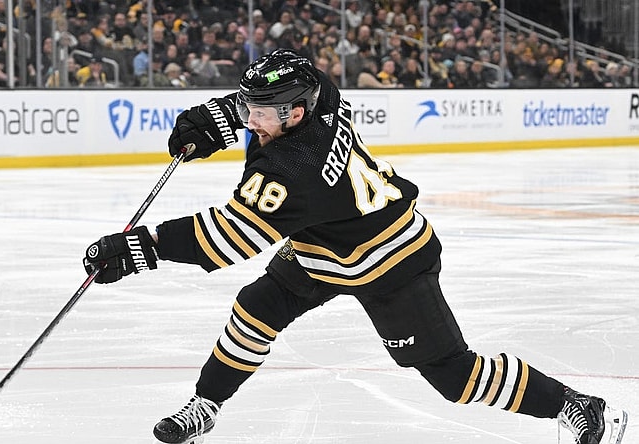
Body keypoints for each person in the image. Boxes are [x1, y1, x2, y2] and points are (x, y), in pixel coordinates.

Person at [82, 49, 629, 444]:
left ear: (296, 114)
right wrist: (212, 120)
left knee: (453, 378)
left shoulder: (290, 171)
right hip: (321, 251)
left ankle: (577, 406)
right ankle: (206, 405)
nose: (250, 122)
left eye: (259, 114)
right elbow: (271, 92)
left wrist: (136, 249)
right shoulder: (322, 97)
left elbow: (225, 238)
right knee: (254, 310)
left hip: (390, 261)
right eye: (248, 110)